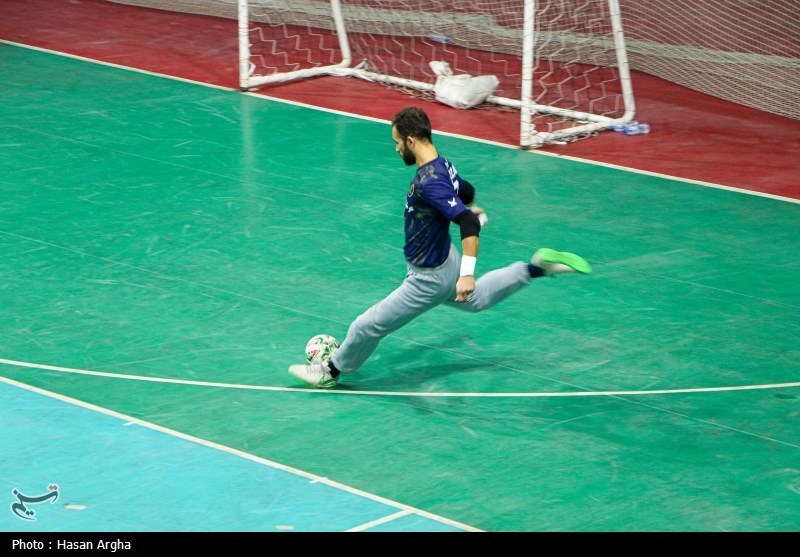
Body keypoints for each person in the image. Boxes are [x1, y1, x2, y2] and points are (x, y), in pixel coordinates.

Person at [289, 106, 591, 388]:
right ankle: (536, 268)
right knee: (479, 299)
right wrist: (466, 210)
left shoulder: (429, 181)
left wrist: (467, 271)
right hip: (446, 260)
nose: (396, 149)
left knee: (367, 325)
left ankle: (330, 372)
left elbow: (467, 223)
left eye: (397, 142)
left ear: (410, 140)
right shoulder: (443, 165)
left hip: (427, 279)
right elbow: (466, 192)